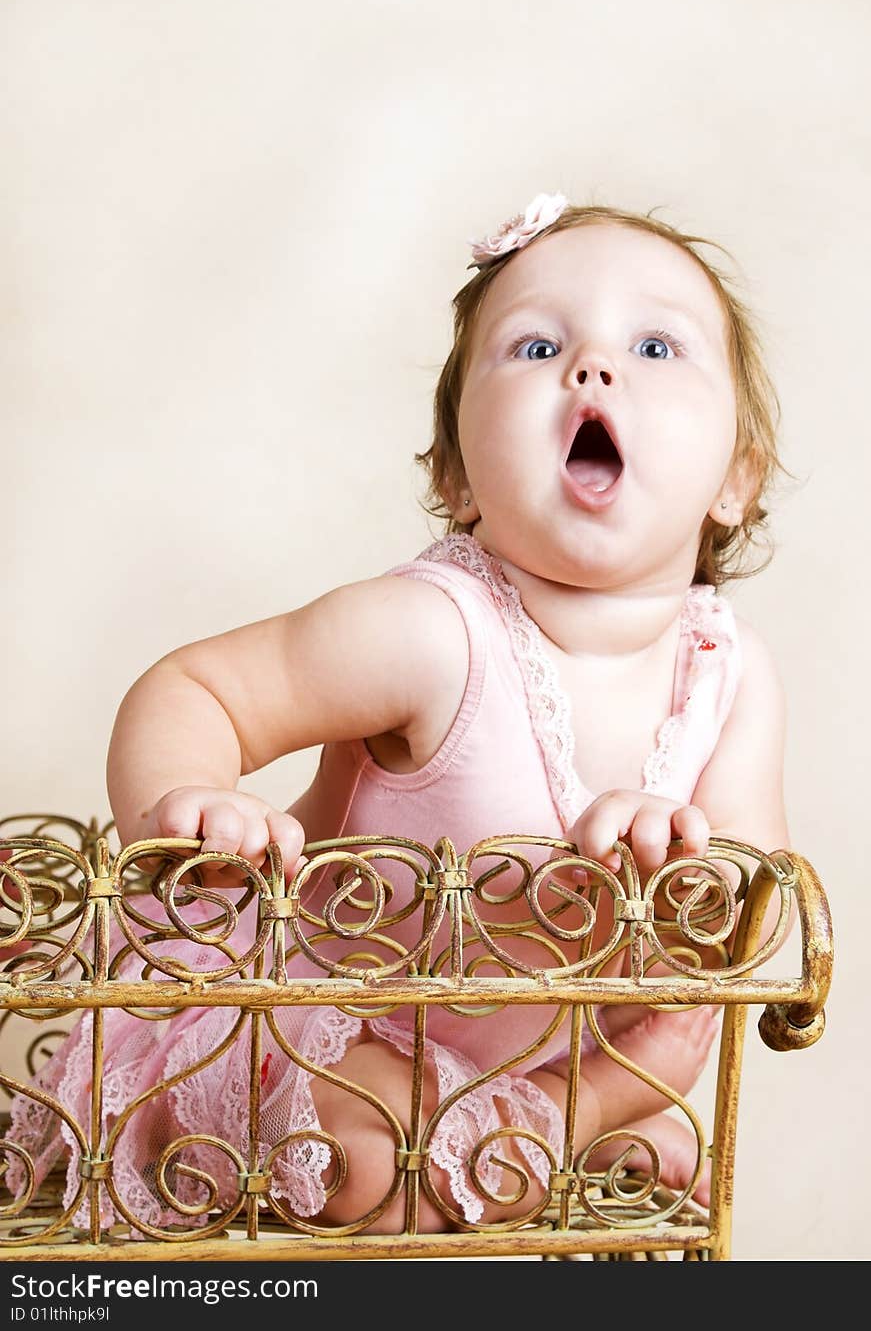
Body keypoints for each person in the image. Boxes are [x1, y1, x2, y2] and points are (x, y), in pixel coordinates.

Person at [5, 194, 789, 1233]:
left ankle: (555, 1116)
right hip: (302, 1019)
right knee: (378, 1153)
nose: (592, 367)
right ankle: (559, 1125)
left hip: (518, 1051)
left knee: (669, 1102)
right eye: (536, 343)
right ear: (459, 477)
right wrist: (188, 801)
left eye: (654, 344)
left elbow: (757, 898)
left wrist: (688, 869)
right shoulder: (430, 630)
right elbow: (198, 688)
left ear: (734, 477)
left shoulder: (726, 670)